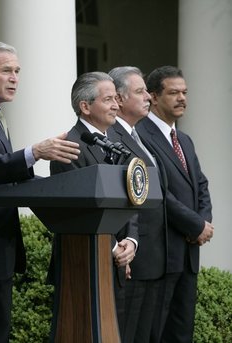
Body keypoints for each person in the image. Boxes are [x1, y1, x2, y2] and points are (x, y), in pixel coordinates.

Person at [0, 41, 80, 343]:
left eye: (17, 71)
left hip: (0, 246)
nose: (15, 78)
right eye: (6, 71)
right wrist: (34, 153)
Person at [49, 71, 138, 338]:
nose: (116, 105)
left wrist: (130, 242)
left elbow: (131, 197)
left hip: (117, 263)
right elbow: (77, 210)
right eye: (108, 99)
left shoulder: (116, 145)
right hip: (81, 265)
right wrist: (112, 246)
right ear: (85, 106)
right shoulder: (69, 147)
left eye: (116, 99)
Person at [136, 66, 213, 342]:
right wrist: (194, 225)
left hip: (188, 253)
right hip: (162, 253)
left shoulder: (185, 140)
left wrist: (204, 222)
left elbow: (200, 185)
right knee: (156, 333)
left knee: (182, 333)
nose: (182, 98)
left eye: (184, 92)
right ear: (154, 97)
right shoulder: (140, 136)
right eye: (174, 93)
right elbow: (155, 191)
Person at [109, 66, 168, 342]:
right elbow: (118, 198)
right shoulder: (111, 138)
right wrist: (126, 242)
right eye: (140, 91)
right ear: (119, 99)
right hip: (133, 258)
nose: (148, 97)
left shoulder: (137, 134)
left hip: (154, 255)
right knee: (129, 334)